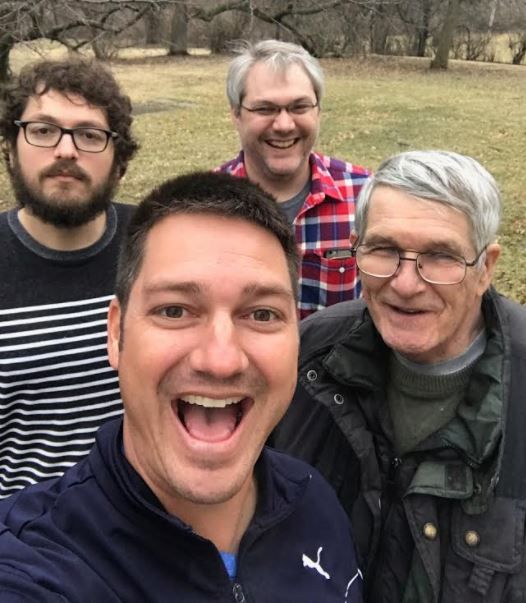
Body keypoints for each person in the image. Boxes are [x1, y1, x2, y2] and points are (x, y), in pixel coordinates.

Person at [0, 172, 363, 602]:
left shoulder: (315, 502)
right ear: (116, 334)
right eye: (175, 310)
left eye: (262, 314)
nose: (221, 360)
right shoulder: (34, 564)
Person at [272, 150, 526, 602]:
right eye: (384, 249)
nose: (406, 284)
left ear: (486, 268)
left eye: (441, 255)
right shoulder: (307, 358)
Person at [0, 57, 138, 498]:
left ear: (120, 161)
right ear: (10, 147)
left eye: (89, 135)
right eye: (42, 130)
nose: (65, 150)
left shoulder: (154, 246)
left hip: (144, 528)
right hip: (21, 544)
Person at [218, 39, 370, 318]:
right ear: (236, 115)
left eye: (299, 107)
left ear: (318, 111)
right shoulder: (203, 206)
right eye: (265, 109)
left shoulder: (366, 196)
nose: (285, 125)